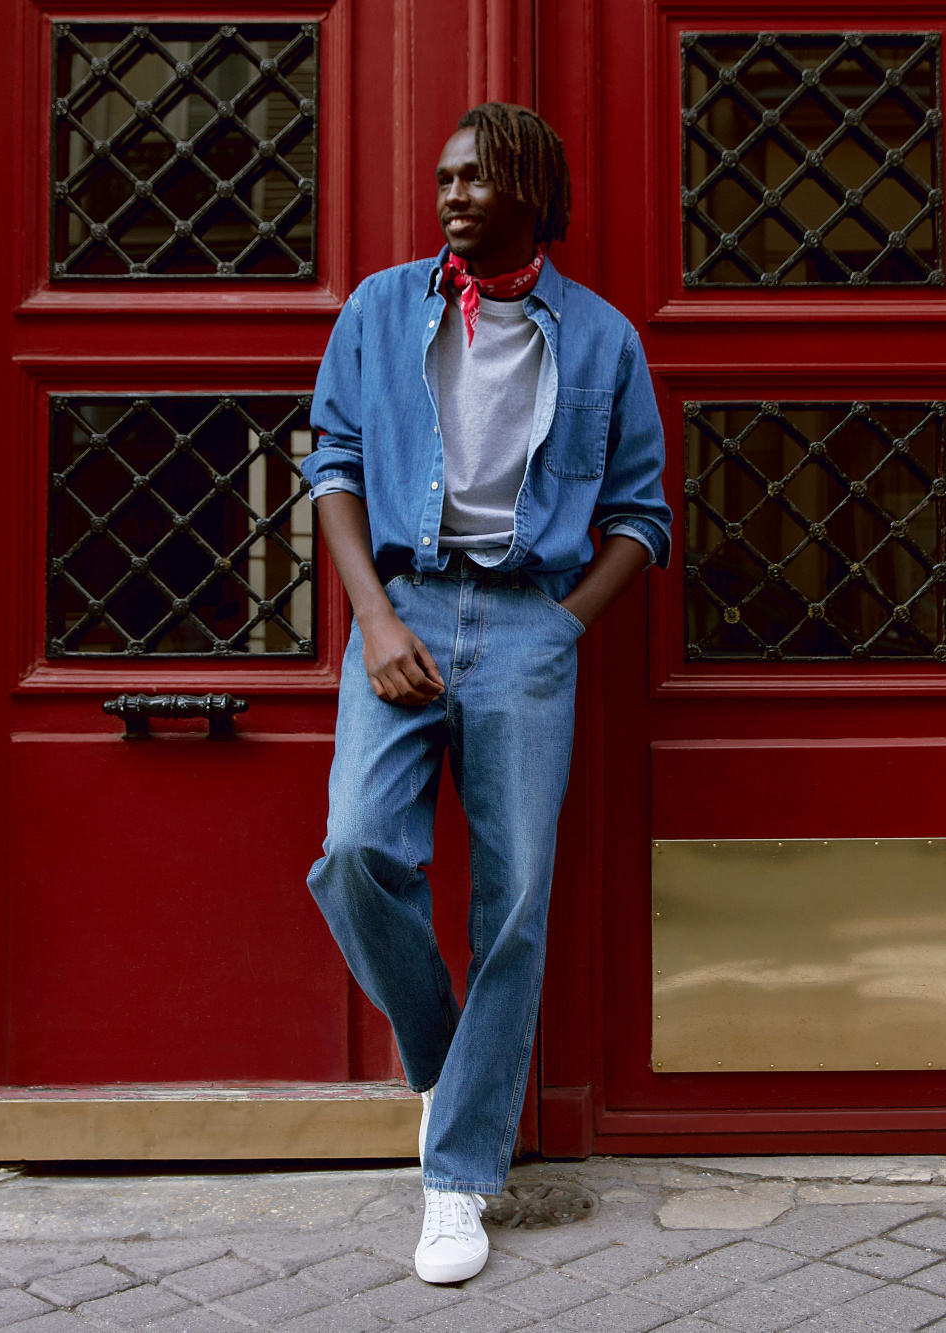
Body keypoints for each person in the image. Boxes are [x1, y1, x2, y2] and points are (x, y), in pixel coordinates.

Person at [301, 103, 671, 1284]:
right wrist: (372, 617)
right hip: (399, 607)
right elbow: (335, 466)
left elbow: (641, 517)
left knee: (513, 902)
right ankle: (450, 1066)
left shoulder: (604, 339)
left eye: (475, 178)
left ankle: (457, 1181)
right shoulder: (376, 310)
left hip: (525, 625)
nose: (451, 194)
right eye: (444, 177)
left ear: (530, 189)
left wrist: (559, 629)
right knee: (357, 850)